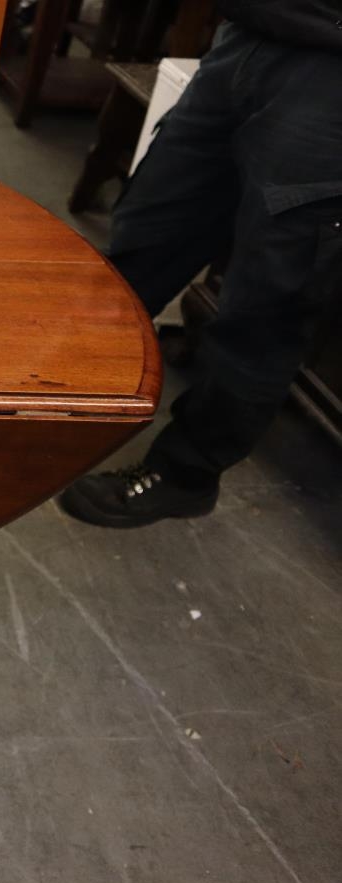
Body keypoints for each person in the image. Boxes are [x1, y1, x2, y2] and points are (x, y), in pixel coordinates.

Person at [59, 0, 342, 528]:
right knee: (144, 242)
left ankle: (185, 474)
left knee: (264, 308)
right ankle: (69, 407)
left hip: (330, 81)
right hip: (248, 34)